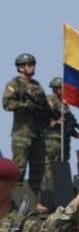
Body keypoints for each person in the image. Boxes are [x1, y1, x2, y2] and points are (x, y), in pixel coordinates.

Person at [2, 54, 49, 193]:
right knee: (19, 169)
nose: (32, 67)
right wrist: (25, 105)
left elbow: (45, 106)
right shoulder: (14, 84)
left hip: (38, 133)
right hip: (22, 134)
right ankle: (13, 200)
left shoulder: (37, 85)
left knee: (38, 169)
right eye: (28, 65)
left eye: (32, 64)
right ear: (21, 67)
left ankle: (33, 199)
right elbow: (7, 104)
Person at [42, 78, 79, 186]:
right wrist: (55, 122)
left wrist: (76, 133)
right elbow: (43, 116)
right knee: (50, 164)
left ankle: (61, 186)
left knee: (63, 163)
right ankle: (49, 187)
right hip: (53, 138)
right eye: (61, 88)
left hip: (64, 138)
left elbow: (68, 123)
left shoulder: (64, 103)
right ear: (56, 89)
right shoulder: (50, 100)